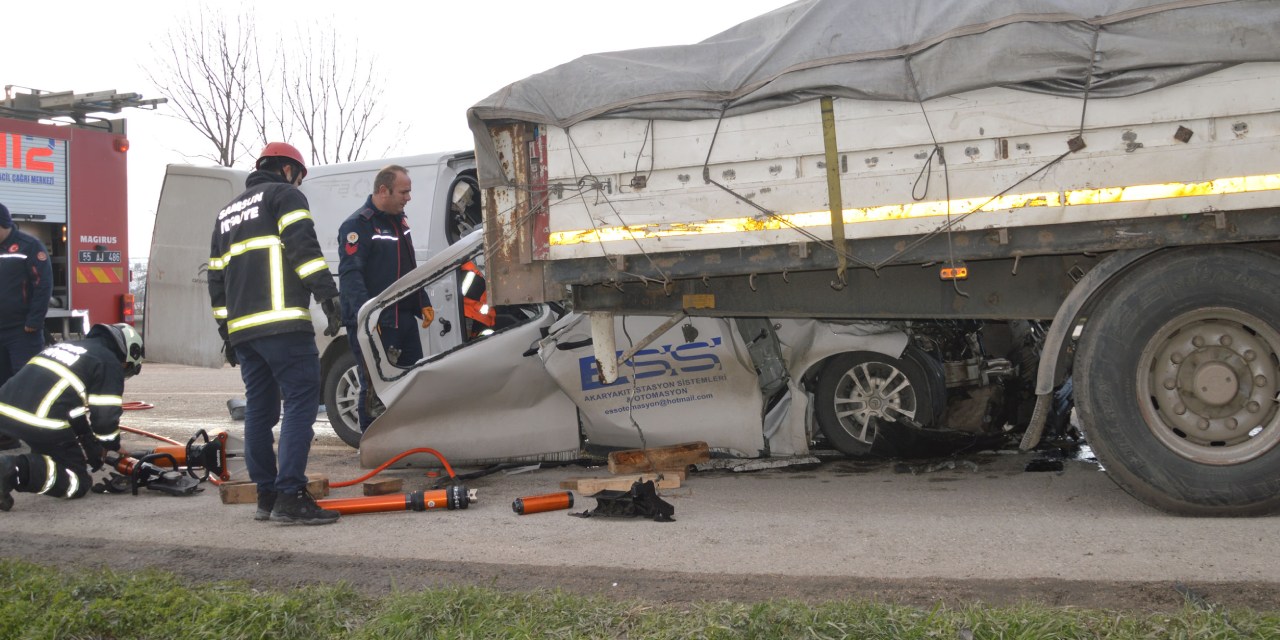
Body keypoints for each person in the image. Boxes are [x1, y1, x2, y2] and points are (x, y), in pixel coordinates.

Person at [208, 142, 343, 526]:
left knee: (260, 412)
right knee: (301, 400)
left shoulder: (226, 213)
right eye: (300, 176)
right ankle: (290, 495)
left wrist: (226, 330)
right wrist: (328, 295)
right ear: (288, 170)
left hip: (244, 332)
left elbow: (215, 277)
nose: (300, 182)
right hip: (283, 324)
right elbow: (304, 247)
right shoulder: (285, 195)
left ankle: (266, 496)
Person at [0, 323, 142, 512]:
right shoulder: (109, 362)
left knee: (46, 459)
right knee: (77, 481)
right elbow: (105, 419)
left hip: (5, 410)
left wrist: (90, 444)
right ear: (129, 354)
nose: (124, 372)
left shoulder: (70, 347)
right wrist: (112, 445)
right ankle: (10, 469)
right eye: (128, 369)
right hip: (39, 419)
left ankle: (14, 472)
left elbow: (72, 409)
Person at [336, 165, 434, 432]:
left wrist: (422, 301)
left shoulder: (399, 221)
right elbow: (351, 276)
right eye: (404, 191)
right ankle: (373, 447)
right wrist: (368, 318)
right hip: (377, 322)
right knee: (376, 386)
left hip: (402, 317)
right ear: (383, 191)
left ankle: (405, 442)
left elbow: (409, 268)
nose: (408, 197)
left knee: (411, 380)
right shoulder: (357, 225)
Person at [0, 202, 54, 390]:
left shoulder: (29, 247)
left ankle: (28, 419)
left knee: (27, 384)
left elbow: (43, 285)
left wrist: (34, 321)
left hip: (22, 332)